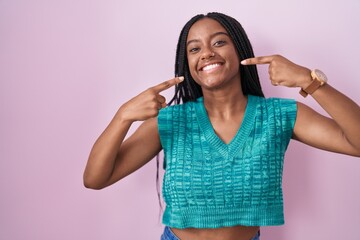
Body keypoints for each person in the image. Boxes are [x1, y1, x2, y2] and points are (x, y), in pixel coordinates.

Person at [83, 12, 360, 240]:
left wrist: (308, 81)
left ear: (239, 50)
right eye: (194, 49)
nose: (206, 53)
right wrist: (122, 117)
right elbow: (95, 179)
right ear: (187, 63)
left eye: (218, 42)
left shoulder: (279, 115)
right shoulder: (170, 121)